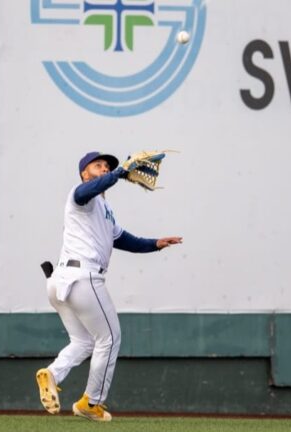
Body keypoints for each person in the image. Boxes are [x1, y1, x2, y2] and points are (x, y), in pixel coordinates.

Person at [35, 151, 182, 422]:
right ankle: (91, 402)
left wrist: (155, 244)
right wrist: (117, 173)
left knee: (84, 341)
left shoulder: (104, 210)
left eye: (107, 166)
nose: (104, 168)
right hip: (83, 279)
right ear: (84, 173)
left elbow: (124, 239)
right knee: (110, 338)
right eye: (98, 165)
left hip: (61, 281)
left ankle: (52, 374)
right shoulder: (80, 195)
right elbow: (89, 190)